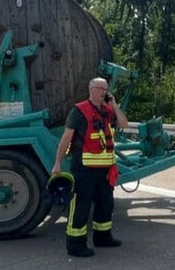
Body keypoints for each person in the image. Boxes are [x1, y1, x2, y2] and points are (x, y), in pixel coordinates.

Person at [52, 77, 129, 257]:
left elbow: (123, 124)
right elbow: (66, 138)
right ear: (92, 90)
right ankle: (75, 244)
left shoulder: (108, 111)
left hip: (105, 170)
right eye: (101, 88)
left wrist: (115, 105)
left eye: (106, 89)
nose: (104, 92)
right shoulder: (79, 111)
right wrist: (57, 163)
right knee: (81, 206)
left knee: (105, 204)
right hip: (84, 169)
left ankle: (103, 237)